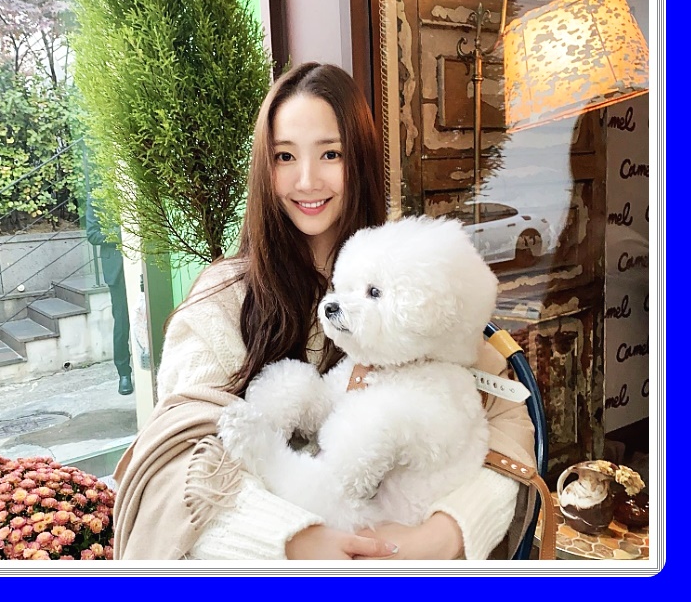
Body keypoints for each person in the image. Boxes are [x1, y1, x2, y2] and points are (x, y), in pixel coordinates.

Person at [113, 62, 536, 560]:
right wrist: (295, 540)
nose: (307, 180)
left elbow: (505, 421)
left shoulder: (403, 268)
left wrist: (444, 534)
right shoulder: (226, 296)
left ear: (358, 160)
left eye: (330, 153)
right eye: (285, 156)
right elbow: (179, 457)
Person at [85, 193, 133, 396]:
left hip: (143, 265)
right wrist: (122, 234)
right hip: (117, 269)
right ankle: (124, 373)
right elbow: (93, 235)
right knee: (121, 323)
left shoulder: (132, 191)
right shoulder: (97, 197)